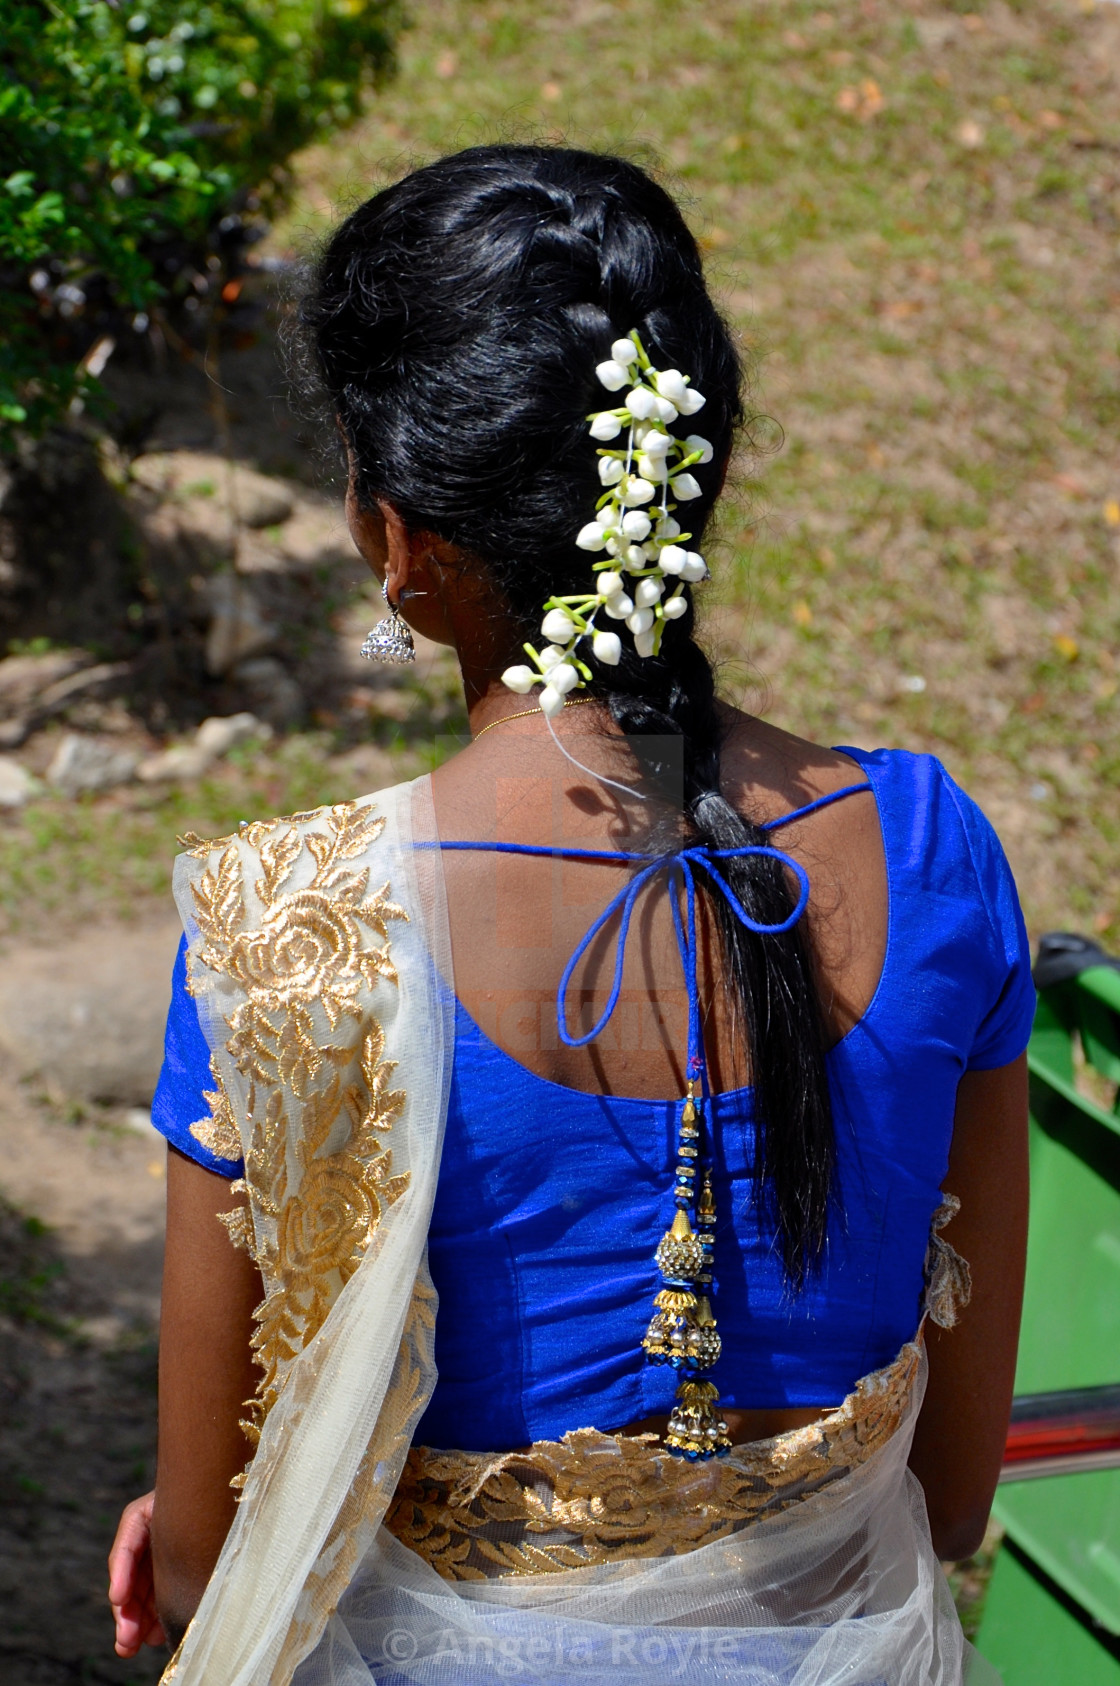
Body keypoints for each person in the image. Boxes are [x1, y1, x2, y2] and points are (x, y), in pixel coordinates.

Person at [108, 144, 1032, 1685]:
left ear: (400, 538)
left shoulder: (293, 932)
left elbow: (209, 1563)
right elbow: (946, 1505)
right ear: (693, 468)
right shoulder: (934, 849)